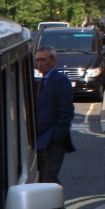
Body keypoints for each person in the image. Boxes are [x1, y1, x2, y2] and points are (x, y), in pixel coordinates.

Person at [34, 45, 75, 185]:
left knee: (49, 178)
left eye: (43, 60)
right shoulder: (41, 82)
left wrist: (58, 136)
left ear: (54, 61)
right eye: (38, 60)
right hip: (41, 139)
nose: (40, 64)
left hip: (54, 140)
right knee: (43, 177)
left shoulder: (60, 80)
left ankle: (55, 205)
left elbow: (67, 111)